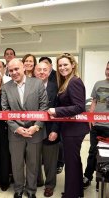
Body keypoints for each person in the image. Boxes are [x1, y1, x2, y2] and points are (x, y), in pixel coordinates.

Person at [1, 58, 48, 198]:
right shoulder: (6, 87)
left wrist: (36, 126)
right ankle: (18, 189)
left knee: (33, 164)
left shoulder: (37, 83)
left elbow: (43, 107)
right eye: (11, 70)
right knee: (17, 164)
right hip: (15, 133)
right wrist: (16, 128)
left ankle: (31, 190)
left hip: (35, 132)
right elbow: (5, 110)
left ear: (23, 68)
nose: (14, 72)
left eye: (16, 69)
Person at [48, 53, 89, 198]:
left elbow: (79, 107)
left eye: (65, 64)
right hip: (70, 128)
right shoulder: (67, 81)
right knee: (74, 161)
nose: (62, 68)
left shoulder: (74, 81)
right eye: (60, 65)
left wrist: (56, 111)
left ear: (73, 65)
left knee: (71, 163)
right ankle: (77, 191)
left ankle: (71, 194)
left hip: (74, 129)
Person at [83, 61, 109, 189]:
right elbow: (94, 102)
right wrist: (90, 118)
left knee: (106, 155)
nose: (108, 72)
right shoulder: (98, 84)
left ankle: (104, 177)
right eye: (107, 69)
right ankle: (87, 177)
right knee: (93, 152)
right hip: (97, 125)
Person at [34, 62, 59, 197]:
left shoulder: (56, 88)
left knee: (50, 160)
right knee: (34, 158)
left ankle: (50, 185)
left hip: (50, 129)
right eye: (39, 70)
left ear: (50, 72)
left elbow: (59, 109)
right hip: (33, 129)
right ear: (34, 72)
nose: (42, 72)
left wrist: (55, 130)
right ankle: (38, 180)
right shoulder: (29, 86)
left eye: (45, 70)